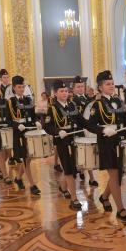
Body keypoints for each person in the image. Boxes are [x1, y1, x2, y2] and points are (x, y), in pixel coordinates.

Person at [88, 70, 126, 222]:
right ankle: (121, 210)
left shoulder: (118, 101)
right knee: (115, 176)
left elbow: (125, 117)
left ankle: (104, 197)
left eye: (111, 83)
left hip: (119, 140)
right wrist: (103, 129)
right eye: (107, 84)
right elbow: (91, 125)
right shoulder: (97, 105)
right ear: (100, 87)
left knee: (118, 175)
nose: (111, 86)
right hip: (106, 143)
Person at [44, 79, 91, 210]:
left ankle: (63, 187)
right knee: (69, 170)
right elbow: (47, 126)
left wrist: (96, 128)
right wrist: (58, 131)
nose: (64, 93)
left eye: (66, 91)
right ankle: (74, 199)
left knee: (73, 169)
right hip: (62, 142)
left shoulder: (72, 105)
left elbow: (82, 121)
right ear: (55, 93)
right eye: (61, 91)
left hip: (74, 140)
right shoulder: (52, 108)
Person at [6, 75, 41, 195]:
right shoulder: (10, 102)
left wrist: (36, 121)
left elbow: (33, 115)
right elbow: (8, 120)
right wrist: (16, 125)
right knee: (25, 159)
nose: (21, 89)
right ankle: (32, 185)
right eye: (19, 87)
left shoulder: (28, 99)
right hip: (19, 133)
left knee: (28, 158)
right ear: (14, 88)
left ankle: (19, 178)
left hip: (29, 132)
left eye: (23, 87)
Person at [71, 76, 98, 186]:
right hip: (78, 130)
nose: (81, 88)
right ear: (73, 89)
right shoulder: (73, 101)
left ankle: (91, 177)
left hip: (88, 129)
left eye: (82, 86)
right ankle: (81, 171)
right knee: (80, 153)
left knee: (88, 153)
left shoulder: (88, 98)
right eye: (78, 87)